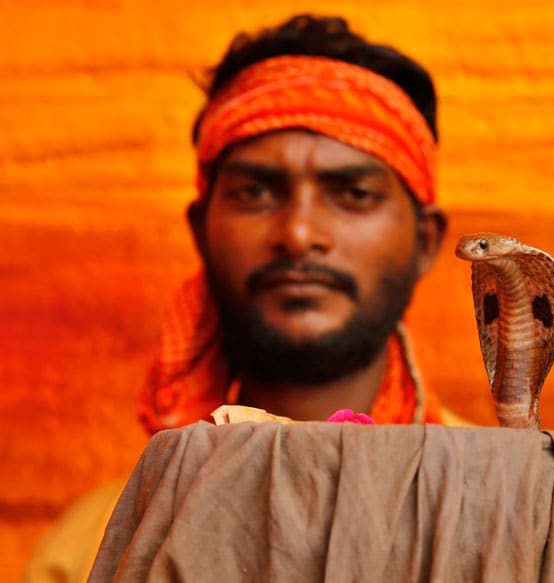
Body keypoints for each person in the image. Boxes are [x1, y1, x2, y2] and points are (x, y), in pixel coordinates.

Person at [26, 14, 468, 582]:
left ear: (426, 241)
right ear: (200, 229)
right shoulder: (90, 550)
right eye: (255, 192)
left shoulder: (510, 503)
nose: (300, 232)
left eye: (353, 194)